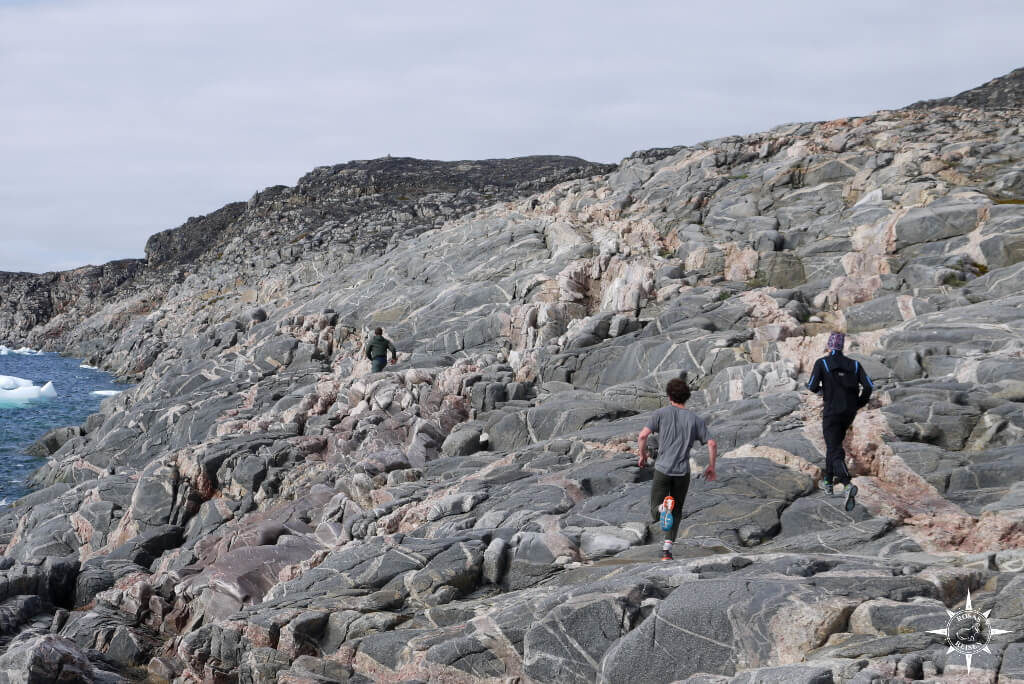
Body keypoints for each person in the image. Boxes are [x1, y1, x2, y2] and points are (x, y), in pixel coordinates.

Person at [637, 378, 717, 561]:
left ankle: (662, 507)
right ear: (687, 397)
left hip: (663, 469)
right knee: (677, 511)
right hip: (682, 472)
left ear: (669, 395)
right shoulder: (695, 419)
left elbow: (643, 436)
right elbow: (711, 443)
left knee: (655, 511)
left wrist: (643, 455)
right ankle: (667, 551)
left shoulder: (660, 414)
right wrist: (711, 466)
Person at [806, 332, 873, 511]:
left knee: (834, 448)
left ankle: (846, 483)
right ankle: (828, 481)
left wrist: (824, 390)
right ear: (842, 346)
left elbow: (812, 385)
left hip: (832, 411)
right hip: (849, 412)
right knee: (834, 444)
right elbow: (869, 386)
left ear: (829, 346)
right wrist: (859, 402)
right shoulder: (855, 364)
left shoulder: (823, 363)